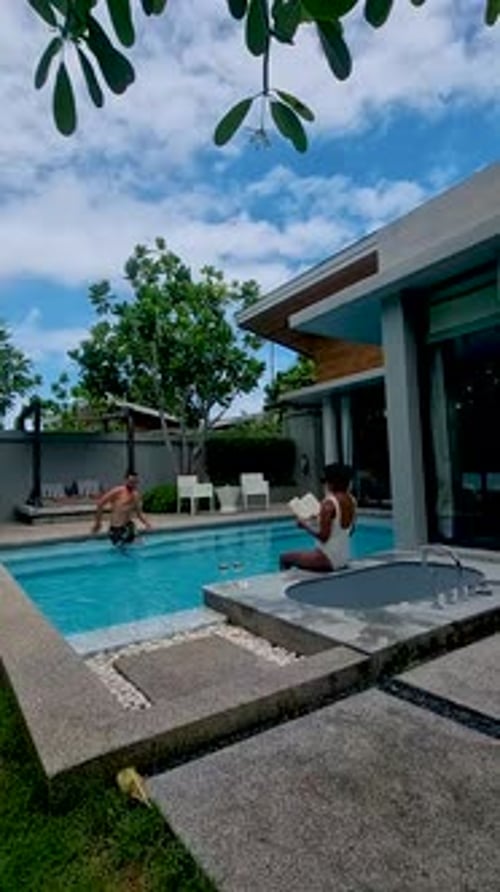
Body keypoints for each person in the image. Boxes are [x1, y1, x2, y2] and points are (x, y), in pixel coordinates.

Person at [279, 462, 356, 572]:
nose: (325, 484)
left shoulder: (329, 504)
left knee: (284, 558)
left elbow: (323, 537)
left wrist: (304, 526)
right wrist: (319, 518)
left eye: (326, 481)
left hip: (328, 559)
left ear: (332, 483)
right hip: (343, 558)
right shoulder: (352, 500)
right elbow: (350, 530)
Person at [91, 470, 152, 546]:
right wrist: (98, 523)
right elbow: (100, 503)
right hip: (116, 528)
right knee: (120, 550)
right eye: (131, 482)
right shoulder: (117, 491)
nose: (133, 484)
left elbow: (139, 513)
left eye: (135, 482)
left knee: (139, 545)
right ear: (126, 480)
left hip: (129, 526)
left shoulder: (136, 495)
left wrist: (147, 523)